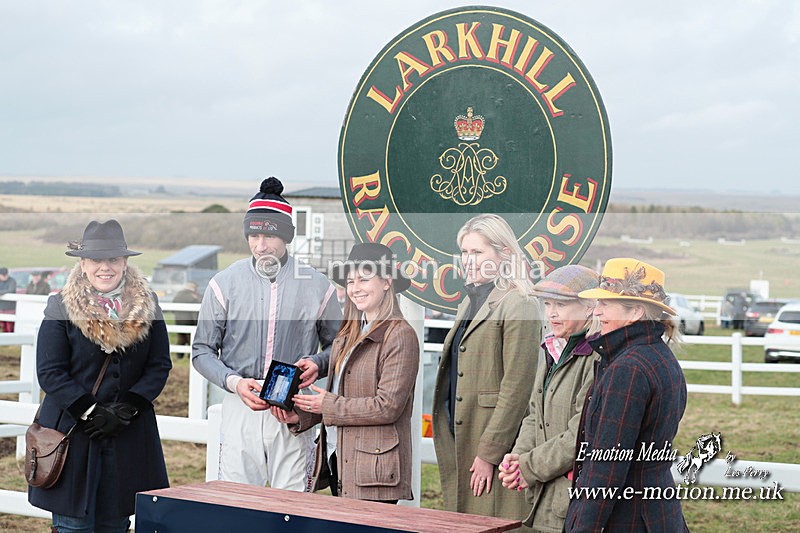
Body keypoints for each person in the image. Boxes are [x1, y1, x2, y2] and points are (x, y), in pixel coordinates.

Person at [192, 177, 342, 491]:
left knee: (294, 504)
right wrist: (234, 382)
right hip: (240, 402)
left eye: (270, 236)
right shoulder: (224, 283)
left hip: (294, 407)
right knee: (236, 501)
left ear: (286, 236)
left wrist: (319, 362)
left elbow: (339, 345)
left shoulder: (318, 285)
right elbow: (202, 350)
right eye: (254, 235)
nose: (261, 245)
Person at [28, 219, 171, 532]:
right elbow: (50, 372)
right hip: (74, 435)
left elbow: (159, 364)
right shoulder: (61, 306)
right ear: (82, 264)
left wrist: (128, 407)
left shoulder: (149, 304)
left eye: (113, 259)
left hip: (127, 433)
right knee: (73, 526)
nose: (104, 267)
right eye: (96, 260)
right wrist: (91, 412)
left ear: (124, 263)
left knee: (115, 524)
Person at [275, 242, 419, 503]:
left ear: (387, 282)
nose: (355, 288)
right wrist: (299, 415)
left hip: (373, 469)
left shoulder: (400, 335)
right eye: (351, 281)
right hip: (338, 458)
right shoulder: (347, 335)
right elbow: (340, 397)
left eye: (364, 279)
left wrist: (325, 404)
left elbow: (388, 407)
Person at [432, 214, 542, 527]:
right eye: (464, 252)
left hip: (493, 444)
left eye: (477, 252)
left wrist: (489, 453)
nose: (468, 260)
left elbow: (517, 386)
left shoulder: (519, 302)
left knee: (494, 522)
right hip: (462, 437)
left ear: (504, 253)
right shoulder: (469, 302)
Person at [564, 258, 689, 532]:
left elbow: (606, 466)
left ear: (634, 313)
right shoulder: (660, 356)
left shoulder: (628, 369)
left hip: (626, 518)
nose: (596, 312)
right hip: (656, 512)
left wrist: (582, 528)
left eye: (606, 304)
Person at [498, 265, 600, 532]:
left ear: (590, 307)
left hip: (571, 503)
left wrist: (527, 467)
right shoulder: (551, 347)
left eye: (562, 305)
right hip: (543, 497)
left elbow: (580, 432)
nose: (551, 313)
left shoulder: (597, 358)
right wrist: (517, 456)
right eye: (548, 304)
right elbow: (534, 413)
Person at [171, 281, 201, 350]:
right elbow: (195, 311)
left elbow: (173, 309)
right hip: (190, 321)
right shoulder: (193, 297)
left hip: (178, 320)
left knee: (181, 338)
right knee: (191, 339)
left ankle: (179, 355)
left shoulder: (178, 295)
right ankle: (189, 355)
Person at [0, 266, 17, 332]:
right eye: (2, 275)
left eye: (5, 275)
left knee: (9, 326)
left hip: (10, 308)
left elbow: (11, 290)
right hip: (1, 307)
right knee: (3, 325)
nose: (4, 277)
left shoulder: (12, 281)